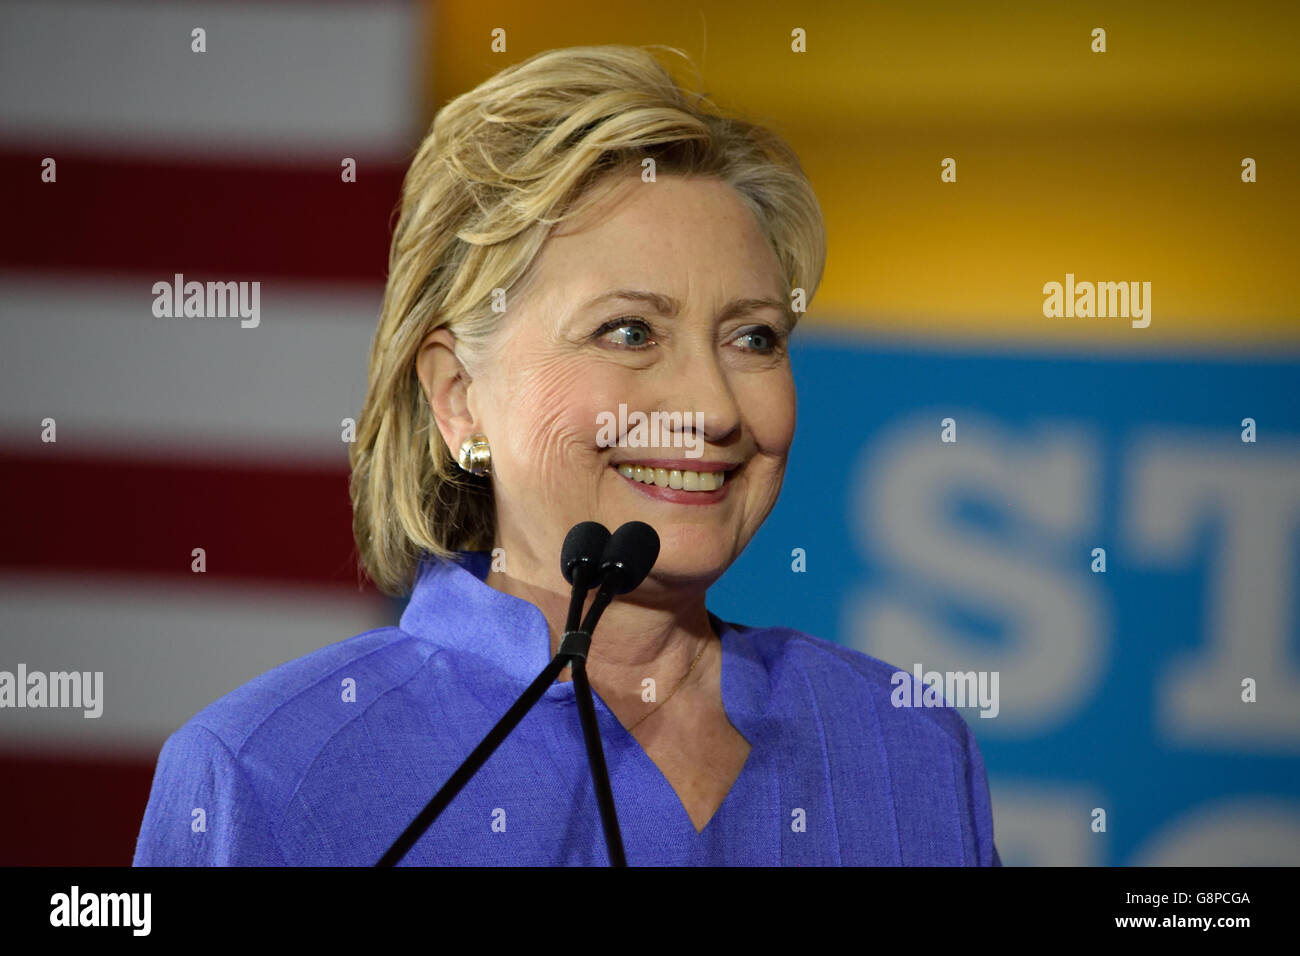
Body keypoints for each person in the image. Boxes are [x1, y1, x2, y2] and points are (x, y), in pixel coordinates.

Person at [133, 44, 1000, 866]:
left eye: (753, 336)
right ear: (458, 396)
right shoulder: (266, 774)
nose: (712, 407)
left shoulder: (904, 742)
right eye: (629, 331)